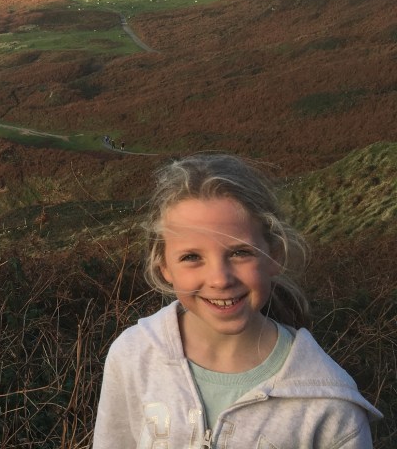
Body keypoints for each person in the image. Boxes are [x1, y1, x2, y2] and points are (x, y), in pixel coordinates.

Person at [93, 154, 382, 448]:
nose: (220, 279)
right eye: (192, 257)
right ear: (163, 267)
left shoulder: (329, 405)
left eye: (240, 252)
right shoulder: (133, 356)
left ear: (275, 256)